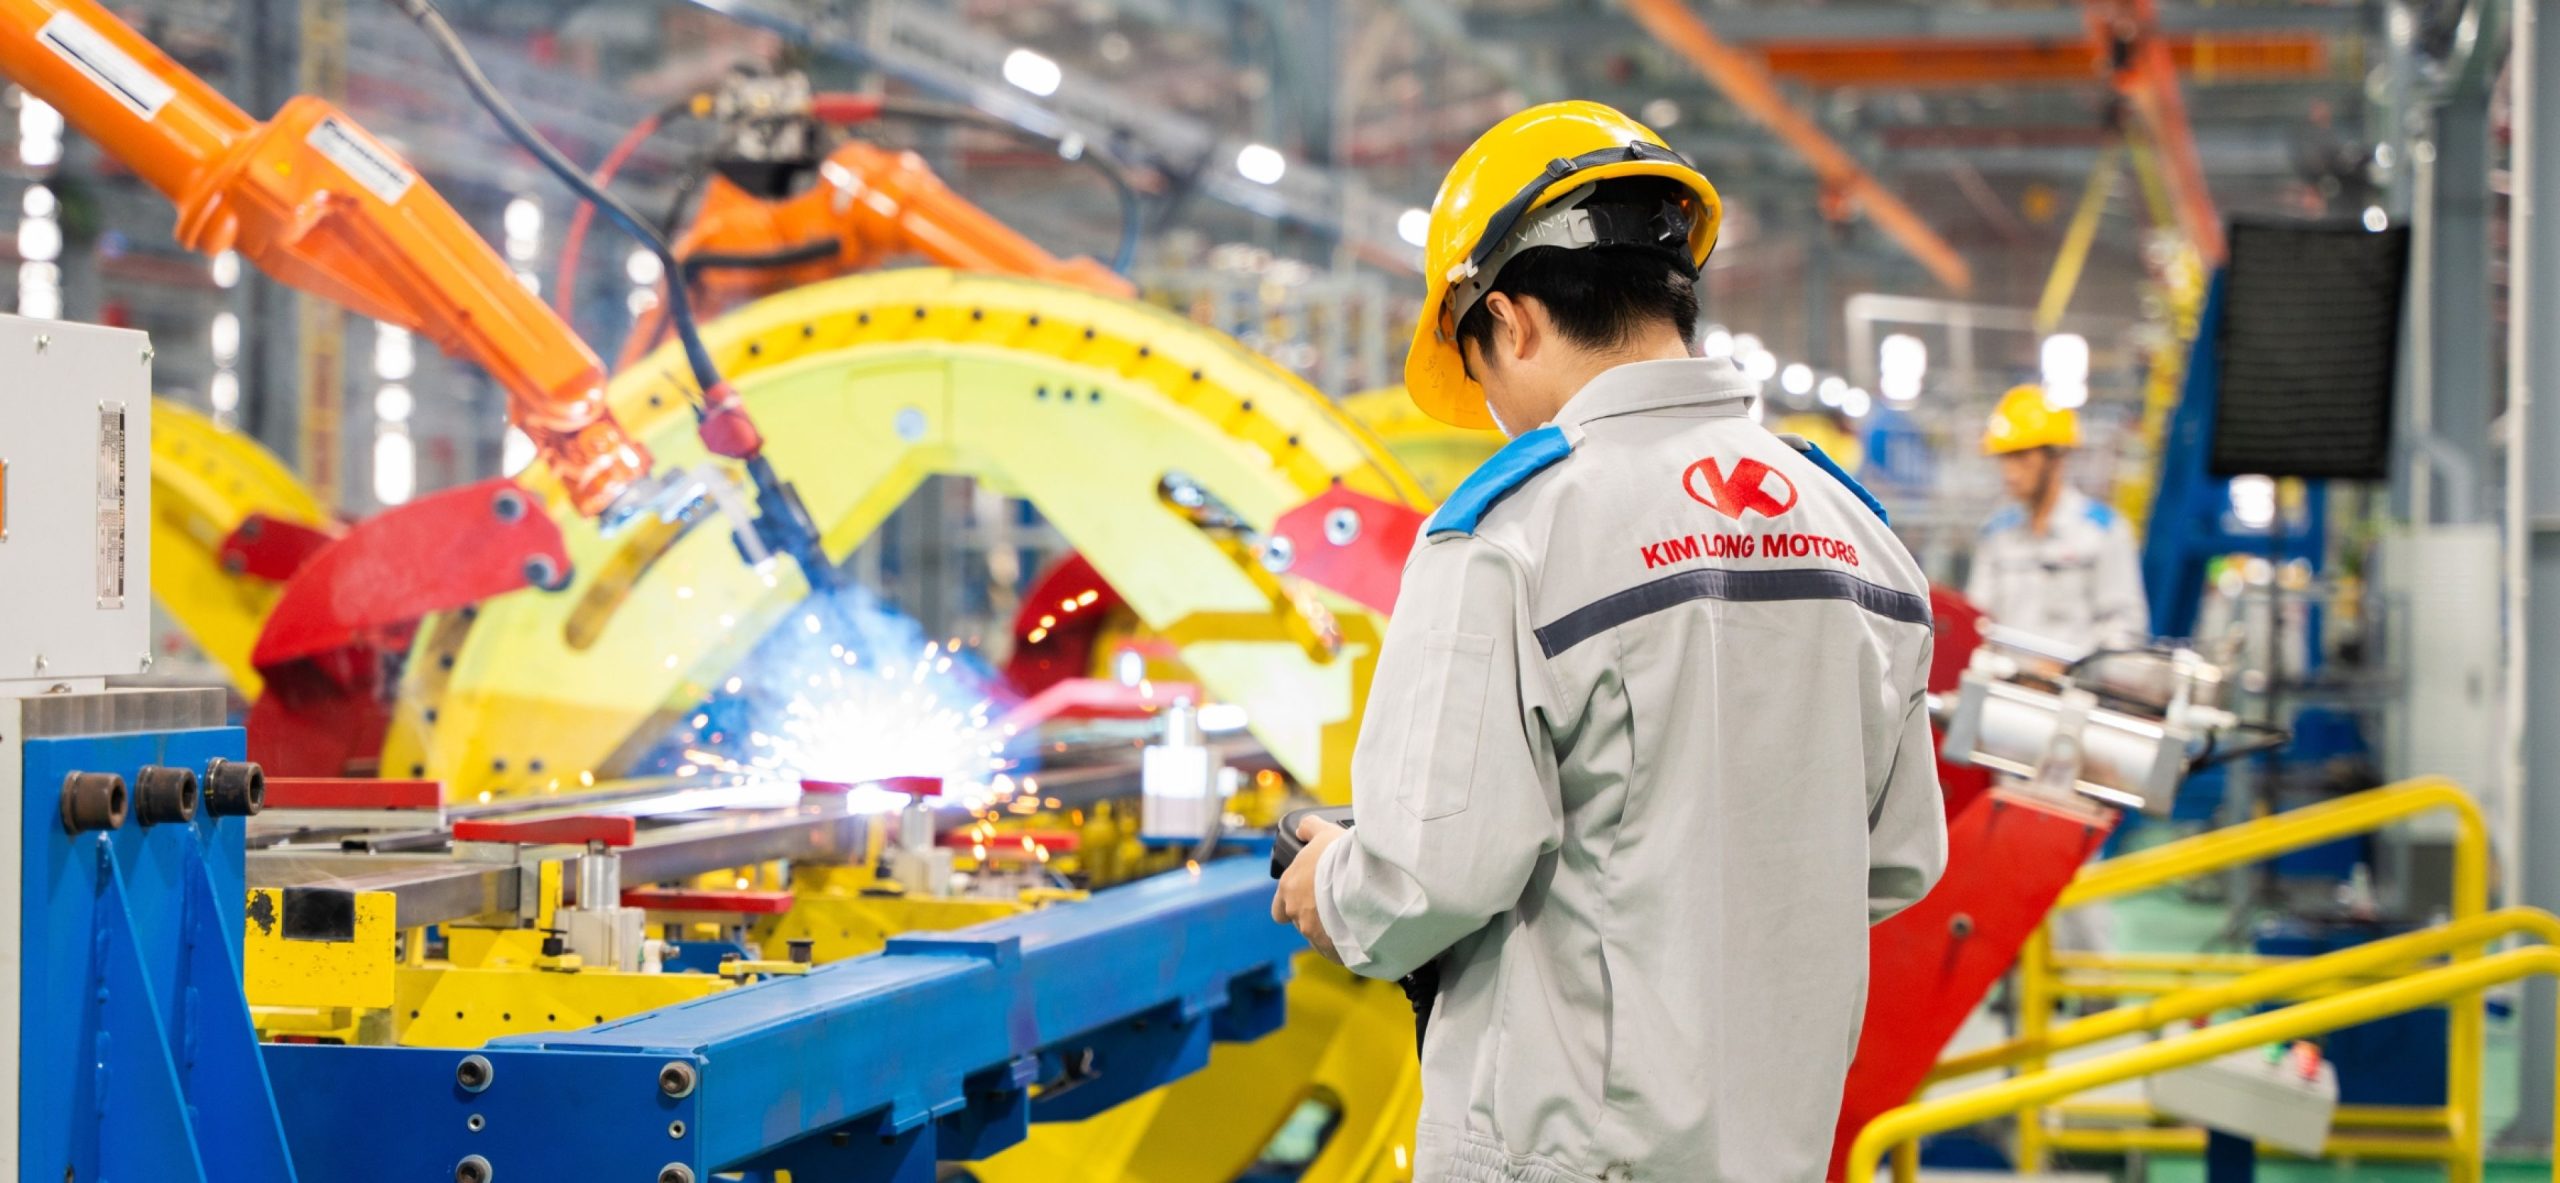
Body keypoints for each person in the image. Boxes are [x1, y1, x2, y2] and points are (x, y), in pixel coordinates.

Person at [1269, 101, 1946, 1183]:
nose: (1493, 405)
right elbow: (1900, 858)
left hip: (1563, 1153)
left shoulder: (1509, 537)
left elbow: (1431, 875)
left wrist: (1332, 884)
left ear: (1511, 320)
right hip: (1775, 1147)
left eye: (1476, 365)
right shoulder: (1859, 536)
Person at [1967, 385, 2151, 651]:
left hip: (2078, 677)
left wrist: (2069, 665)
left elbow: (2124, 628)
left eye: (2021, 456)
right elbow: (1977, 619)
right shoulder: (1996, 534)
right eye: (2004, 458)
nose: (2010, 472)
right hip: (2004, 676)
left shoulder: (2102, 532)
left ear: (2055, 457)